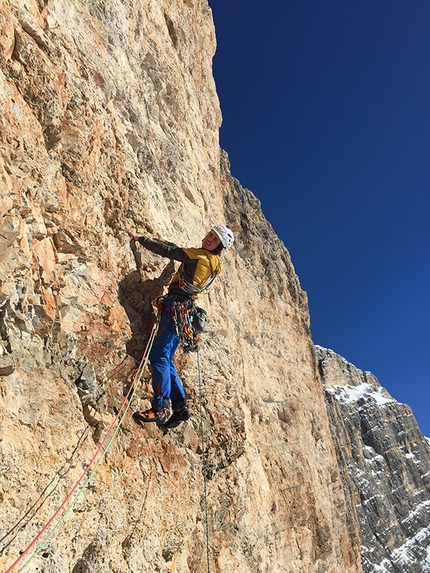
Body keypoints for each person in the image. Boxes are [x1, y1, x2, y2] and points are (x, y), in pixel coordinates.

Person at [128, 225, 234, 428]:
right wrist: (166, 242)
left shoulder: (200, 256)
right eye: (210, 234)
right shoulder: (214, 263)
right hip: (186, 312)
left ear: (219, 245)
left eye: (215, 238)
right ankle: (180, 407)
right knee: (166, 358)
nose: (209, 238)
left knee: (158, 355)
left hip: (175, 308)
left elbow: (172, 253)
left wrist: (141, 239)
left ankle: (159, 408)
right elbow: (181, 253)